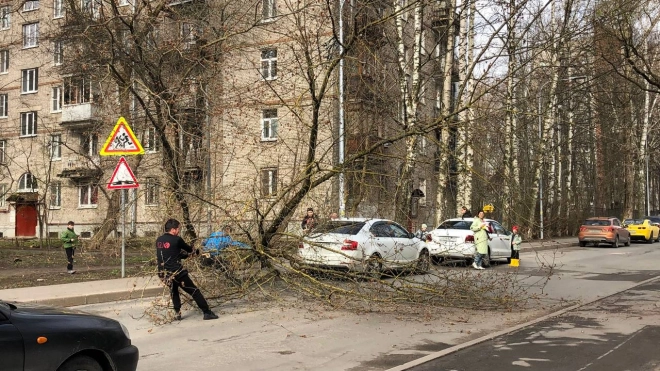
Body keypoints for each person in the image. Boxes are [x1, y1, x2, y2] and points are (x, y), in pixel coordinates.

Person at [156, 218, 218, 321]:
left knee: (174, 290)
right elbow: (189, 249)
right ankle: (207, 312)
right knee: (194, 291)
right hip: (177, 272)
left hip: (164, 273)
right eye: (178, 229)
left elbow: (173, 254)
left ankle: (177, 313)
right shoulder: (177, 239)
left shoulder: (159, 240)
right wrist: (196, 252)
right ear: (173, 229)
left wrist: (187, 256)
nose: (179, 231)